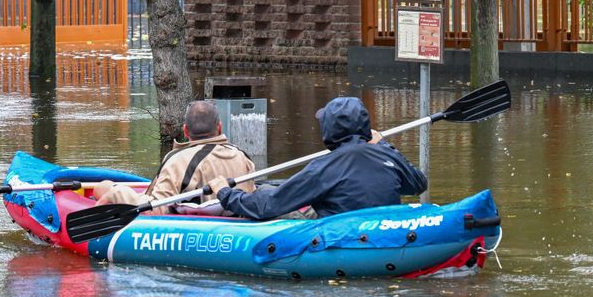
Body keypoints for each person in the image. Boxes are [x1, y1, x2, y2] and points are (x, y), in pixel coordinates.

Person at [208, 96, 426, 220]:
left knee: (265, 194)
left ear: (329, 128)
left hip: (342, 235)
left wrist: (225, 193)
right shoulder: (386, 153)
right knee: (271, 188)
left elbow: (268, 206)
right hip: (381, 231)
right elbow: (418, 184)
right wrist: (382, 144)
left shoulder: (326, 167)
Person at [92, 100, 256, 214]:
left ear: (185, 131)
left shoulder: (177, 159)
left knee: (103, 187)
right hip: (233, 216)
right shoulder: (242, 156)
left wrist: (114, 193)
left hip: (196, 222)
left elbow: (156, 208)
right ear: (219, 128)